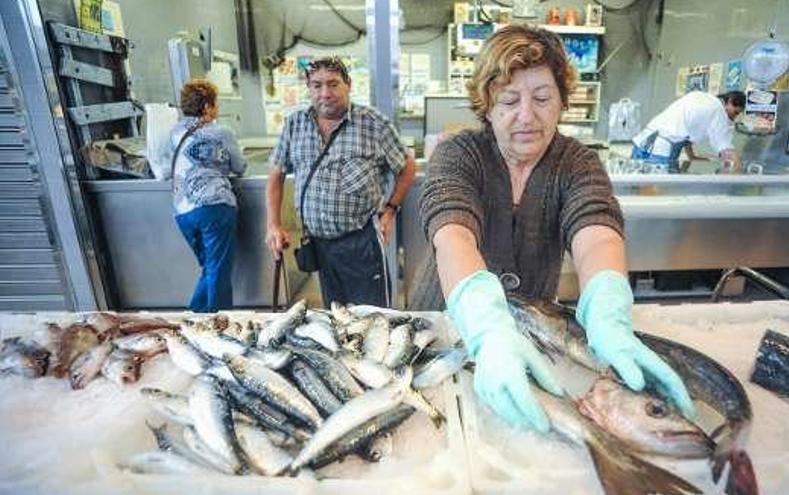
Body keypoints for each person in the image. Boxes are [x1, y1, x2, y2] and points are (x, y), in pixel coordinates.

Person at [418, 25, 694, 432]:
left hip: (536, 332)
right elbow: (452, 230)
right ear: (486, 106)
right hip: (448, 324)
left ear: (563, 101)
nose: (527, 116)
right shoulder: (459, 154)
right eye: (509, 100)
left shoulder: (577, 162)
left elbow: (596, 229)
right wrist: (485, 325)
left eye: (543, 98)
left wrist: (606, 309)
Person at [265, 56, 416, 308]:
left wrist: (390, 210)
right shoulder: (295, 124)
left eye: (333, 84)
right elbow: (276, 174)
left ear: (348, 85)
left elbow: (407, 167)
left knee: (373, 317)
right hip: (318, 244)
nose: (325, 93)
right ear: (309, 88)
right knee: (335, 316)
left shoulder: (373, 124)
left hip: (362, 242)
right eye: (317, 85)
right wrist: (273, 224)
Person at [169, 79, 246, 312]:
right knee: (218, 271)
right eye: (216, 104)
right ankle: (219, 325)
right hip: (214, 206)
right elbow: (240, 167)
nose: (217, 109)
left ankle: (194, 319)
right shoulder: (221, 132)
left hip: (182, 211)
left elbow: (164, 168)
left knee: (210, 268)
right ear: (206, 107)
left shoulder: (175, 133)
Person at [631, 90, 745, 173]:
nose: (733, 118)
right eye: (735, 112)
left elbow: (686, 129)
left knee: (634, 187)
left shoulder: (700, 96)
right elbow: (725, 148)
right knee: (655, 194)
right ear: (729, 101)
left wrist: (691, 156)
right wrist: (738, 168)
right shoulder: (718, 111)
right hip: (660, 151)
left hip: (642, 142)